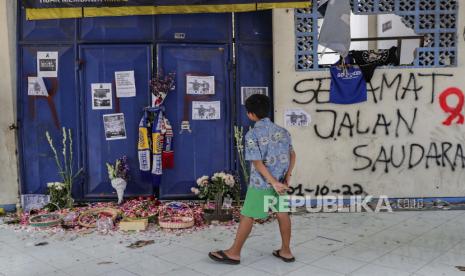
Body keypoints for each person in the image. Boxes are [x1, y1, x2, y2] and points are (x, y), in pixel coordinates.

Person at [209, 94, 296, 265]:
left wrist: (272, 182)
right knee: (282, 214)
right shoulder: (283, 131)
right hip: (280, 183)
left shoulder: (252, 134)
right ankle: (286, 251)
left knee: (247, 215)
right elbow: (292, 155)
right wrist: (286, 177)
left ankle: (234, 253)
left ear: (250, 114)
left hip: (262, 183)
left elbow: (257, 162)